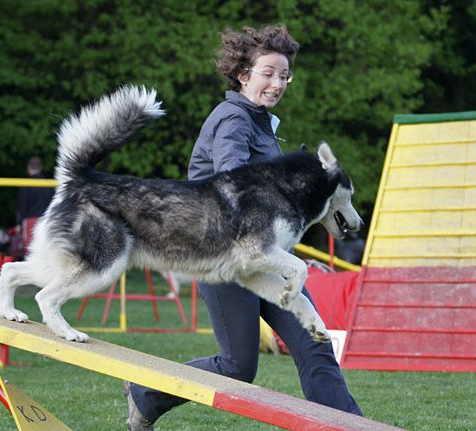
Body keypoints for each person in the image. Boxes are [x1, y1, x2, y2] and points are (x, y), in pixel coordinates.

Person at [125, 24, 362, 430]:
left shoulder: (262, 122)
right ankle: (145, 392)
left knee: (314, 344)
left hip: (266, 259)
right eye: (267, 72)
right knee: (237, 368)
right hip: (225, 259)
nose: (276, 83)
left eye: (284, 75)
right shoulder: (232, 118)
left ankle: (349, 426)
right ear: (243, 74)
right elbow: (232, 180)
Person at [13, 156, 54, 258]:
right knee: (45, 251)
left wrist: (19, 223)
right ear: (41, 167)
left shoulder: (26, 184)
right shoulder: (49, 184)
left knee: (30, 251)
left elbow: (23, 206)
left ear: (29, 167)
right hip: (46, 220)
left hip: (30, 221)